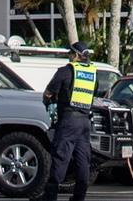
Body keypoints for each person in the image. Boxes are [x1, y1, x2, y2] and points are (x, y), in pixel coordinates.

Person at [40, 41, 99, 201]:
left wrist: (48, 102)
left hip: (69, 121)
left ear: (76, 55)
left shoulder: (66, 71)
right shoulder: (93, 73)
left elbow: (48, 93)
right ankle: (79, 197)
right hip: (85, 121)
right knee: (82, 159)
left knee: (61, 157)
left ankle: (50, 196)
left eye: (70, 54)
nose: (68, 57)